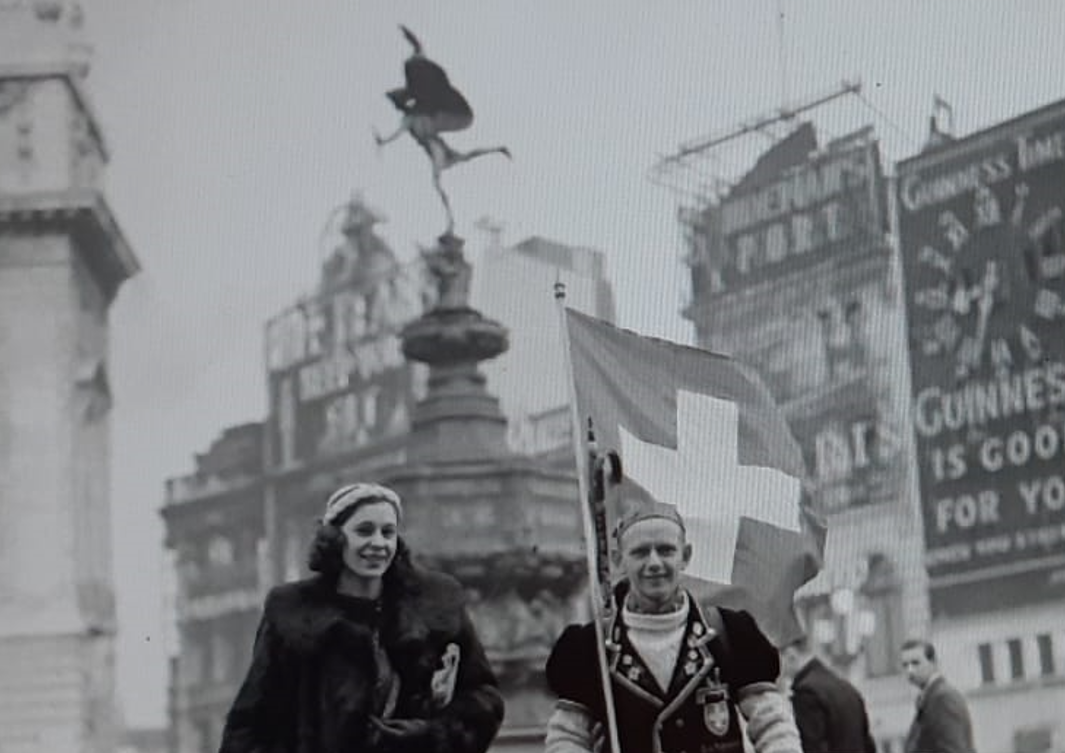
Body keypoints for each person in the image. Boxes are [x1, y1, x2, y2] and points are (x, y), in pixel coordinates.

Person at [218, 482, 504, 753]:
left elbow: (483, 697)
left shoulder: (434, 604)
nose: (378, 543)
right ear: (334, 538)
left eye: (388, 532)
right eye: (364, 531)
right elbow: (251, 722)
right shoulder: (292, 613)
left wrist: (431, 736)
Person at [544, 502, 801, 753]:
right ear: (619, 560)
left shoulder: (730, 633)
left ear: (685, 556)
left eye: (666, 550)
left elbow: (772, 723)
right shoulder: (592, 647)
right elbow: (567, 736)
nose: (654, 562)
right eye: (640, 552)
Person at [374, 25, 510, 234]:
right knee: (442, 175)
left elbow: (398, 133)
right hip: (437, 121)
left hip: (434, 121)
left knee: (439, 177)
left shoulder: (413, 118)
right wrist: (497, 150)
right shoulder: (419, 122)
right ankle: (450, 222)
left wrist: (383, 141)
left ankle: (450, 222)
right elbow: (471, 154)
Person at [779, 634, 876, 753]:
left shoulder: (806, 693)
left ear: (791, 655)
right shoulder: (847, 688)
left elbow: (812, 748)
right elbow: (868, 745)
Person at [900, 639, 974, 753]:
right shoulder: (929, 697)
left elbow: (954, 749)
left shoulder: (942, 698)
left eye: (915, 663)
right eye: (905, 665)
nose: (910, 670)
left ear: (934, 663)